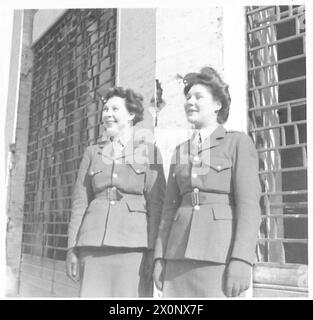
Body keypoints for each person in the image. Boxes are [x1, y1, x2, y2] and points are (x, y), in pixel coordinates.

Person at [153, 67, 261, 297]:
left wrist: (242, 260)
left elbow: (249, 207)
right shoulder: (180, 151)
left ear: (217, 105)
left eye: (198, 97)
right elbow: (168, 209)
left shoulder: (237, 143)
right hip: (177, 257)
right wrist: (160, 257)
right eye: (188, 97)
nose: (189, 102)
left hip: (218, 258)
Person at [66, 86, 165, 297]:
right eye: (105, 109)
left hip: (133, 249)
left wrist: (152, 251)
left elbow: (157, 205)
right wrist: (72, 249)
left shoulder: (148, 152)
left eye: (115, 109)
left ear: (130, 115)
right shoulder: (93, 152)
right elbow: (80, 203)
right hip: (92, 247)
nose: (107, 114)